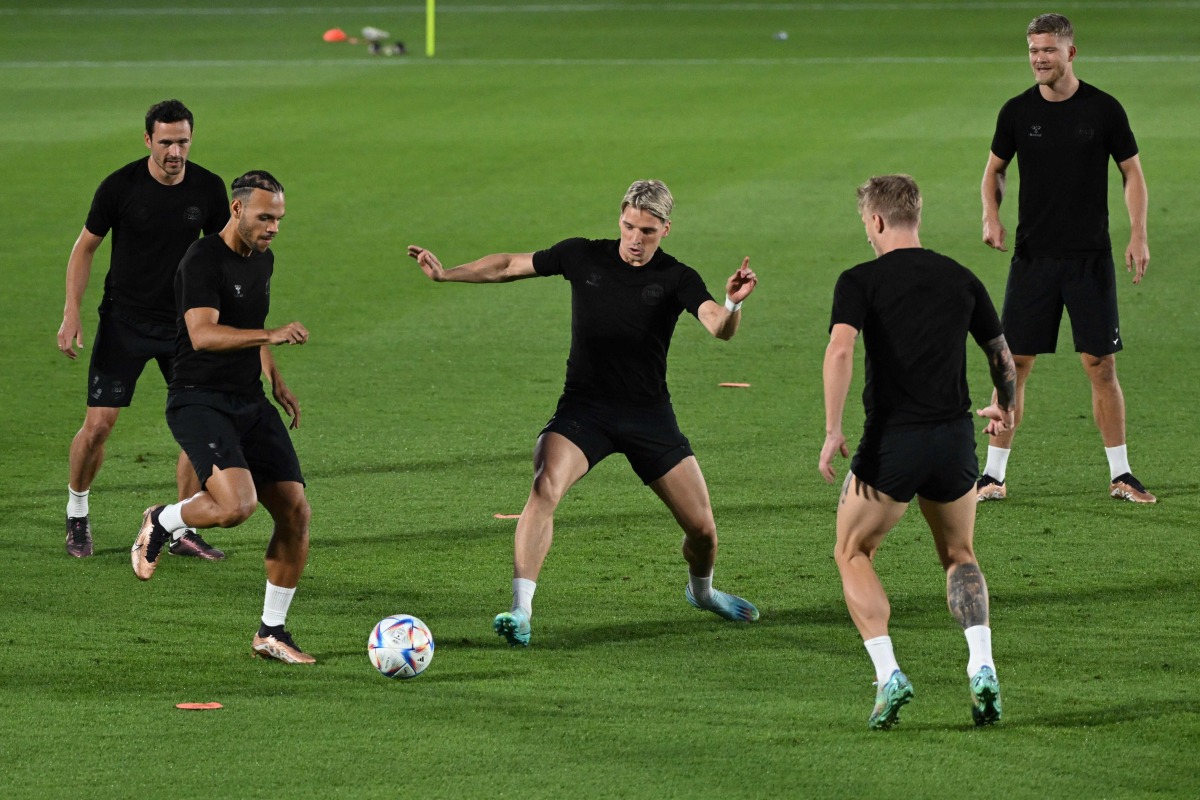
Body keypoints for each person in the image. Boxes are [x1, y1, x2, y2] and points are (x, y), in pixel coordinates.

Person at [408, 179, 760, 648]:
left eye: (648, 231)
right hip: (585, 410)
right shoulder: (583, 256)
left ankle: (703, 592)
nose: (636, 240)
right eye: (630, 226)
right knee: (543, 487)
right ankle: (520, 610)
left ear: (666, 229)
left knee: (702, 530)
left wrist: (733, 301)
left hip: (648, 416)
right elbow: (510, 265)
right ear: (620, 218)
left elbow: (719, 327)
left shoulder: (677, 277)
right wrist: (447, 273)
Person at [820, 175, 1016, 730]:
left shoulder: (860, 280)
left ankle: (889, 674)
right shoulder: (960, 277)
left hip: (892, 444)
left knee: (852, 550)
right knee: (960, 553)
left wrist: (834, 428)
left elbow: (840, 349)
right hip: (954, 439)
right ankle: (983, 666)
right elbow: (1001, 356)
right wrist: (1003, 407)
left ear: (877, 221)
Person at [130, 171, 316, 665]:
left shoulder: (262, 259)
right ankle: (164, 519)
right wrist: (272, 336)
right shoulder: (202, 259)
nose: (274, 227)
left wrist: (275, 377)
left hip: (248, 399)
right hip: (199, 398)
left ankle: (270, 632)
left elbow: (250, 328)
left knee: (296, 514)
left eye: (278, 218)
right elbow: (203, 334)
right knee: (236, 507)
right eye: (264, 217)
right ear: (237, 210)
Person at [979, 13, 1154, 503]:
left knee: (1100, 365)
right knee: (1012, 363)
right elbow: (994, 170)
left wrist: (1138, 234)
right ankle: (992, 476)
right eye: (1034, 50)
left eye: (1049, 50)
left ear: (1070, 53)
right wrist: (990, 214)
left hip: (1089, 259)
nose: (1039, 59)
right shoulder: (1016, 112)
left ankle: (1121, 473)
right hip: (1033, 258)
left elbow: (1132, 174)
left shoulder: (1103, 109)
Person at [57, 99, 230, 558]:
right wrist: (71, 312)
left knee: (198, 421)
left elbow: (224, 255)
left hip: (184, 325)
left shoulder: (208, 188)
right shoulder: (120, 186)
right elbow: (84, 248)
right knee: (98, 426)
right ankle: (77, 513)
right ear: (148, 139)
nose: (176, 152)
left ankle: (178, 525)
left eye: (183, 142)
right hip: (124, 321)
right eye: (167, 142)